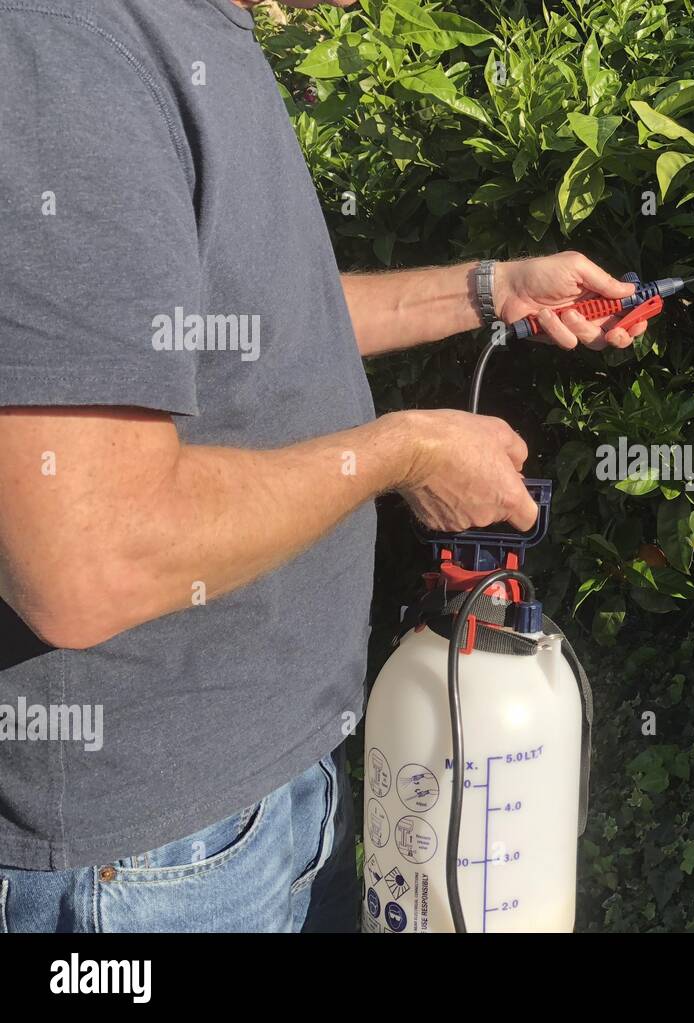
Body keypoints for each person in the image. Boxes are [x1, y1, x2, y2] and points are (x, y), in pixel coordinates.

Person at [0, 0, 645, 932]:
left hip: (286, 790)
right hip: (141, 863)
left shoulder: (199, 35)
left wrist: (493, 289)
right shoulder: (70, 45)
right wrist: (403, 450)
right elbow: (89, 557)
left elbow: (247, 327)